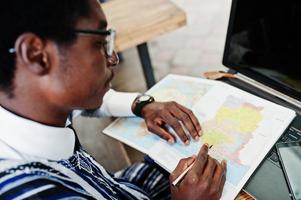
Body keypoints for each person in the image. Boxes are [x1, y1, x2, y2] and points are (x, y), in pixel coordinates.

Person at [0, 0, 226, 199]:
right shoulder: (29, 191)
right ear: (36, 55)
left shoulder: (27, 103)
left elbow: (88, 100)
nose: (113, 57)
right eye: (100, 43)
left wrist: (142, 105)